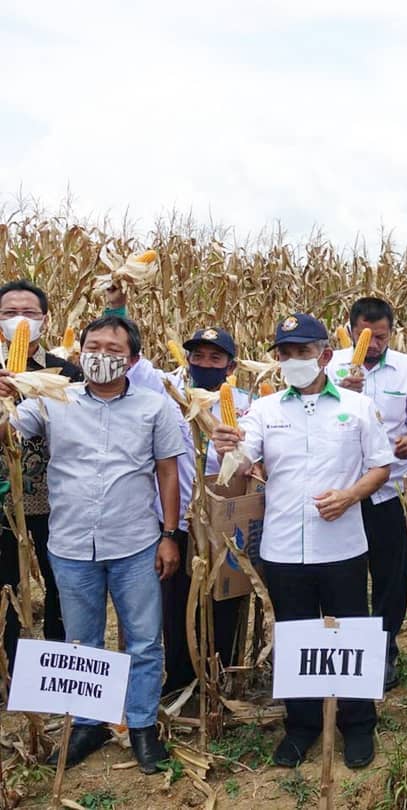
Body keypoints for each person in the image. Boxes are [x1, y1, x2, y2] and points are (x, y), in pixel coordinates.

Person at [0, 315, 184, 774]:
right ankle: (89, 722)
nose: (102, 355)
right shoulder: (51, 399)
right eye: (94, 346)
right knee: (82, 643)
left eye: (113, 348)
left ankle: (141, 725)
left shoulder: (154, 406)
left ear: (133, 359)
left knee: (143, 641)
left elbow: (167, 472)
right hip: (70, 544)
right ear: (79, 353)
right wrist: (4, 401)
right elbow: (10, 435)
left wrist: (169, 536)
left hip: (136, 542)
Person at [212, 313, 393, 769]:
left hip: (343, 546)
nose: (294, 361)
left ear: (325, 356)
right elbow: (240, 458)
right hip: (283, 548)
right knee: (295, 636)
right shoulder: (265, 412)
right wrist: (224, 445)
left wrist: (351, 495)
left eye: (303, 352)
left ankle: (357, 723)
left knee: (349, 632)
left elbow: (381, 466)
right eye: (286, 353)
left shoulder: (355, 408)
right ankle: (302, 724)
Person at [328, 297, 407, 689]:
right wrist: (341, 391)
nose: (373, 345)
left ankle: (385, 647)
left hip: (389, 492)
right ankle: (351, 647)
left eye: (382, 337)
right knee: (345, 573)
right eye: (366, 337)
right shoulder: (330, 366)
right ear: (350, 330)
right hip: (342, 492)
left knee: (390, 575)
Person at [158, 327, 251, 693]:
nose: (205, 364)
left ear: (231, 366)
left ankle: (219, 675)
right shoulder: (169, 398)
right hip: (178, 520)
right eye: (197, 357)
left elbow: (255, 460)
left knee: (223, 600)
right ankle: (179, 679)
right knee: (177, 603)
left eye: (215, 358)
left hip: (224, 522)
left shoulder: (247, 404)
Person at [0, 280, 81, 673]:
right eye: (9, 313)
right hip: (2, 503)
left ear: (45, 320)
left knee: (61, 581)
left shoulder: (66, 372)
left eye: (29, 313)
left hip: (56, 499)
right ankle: (10, 667)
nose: (20, 320)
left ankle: (58, 667)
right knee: (5, 586)